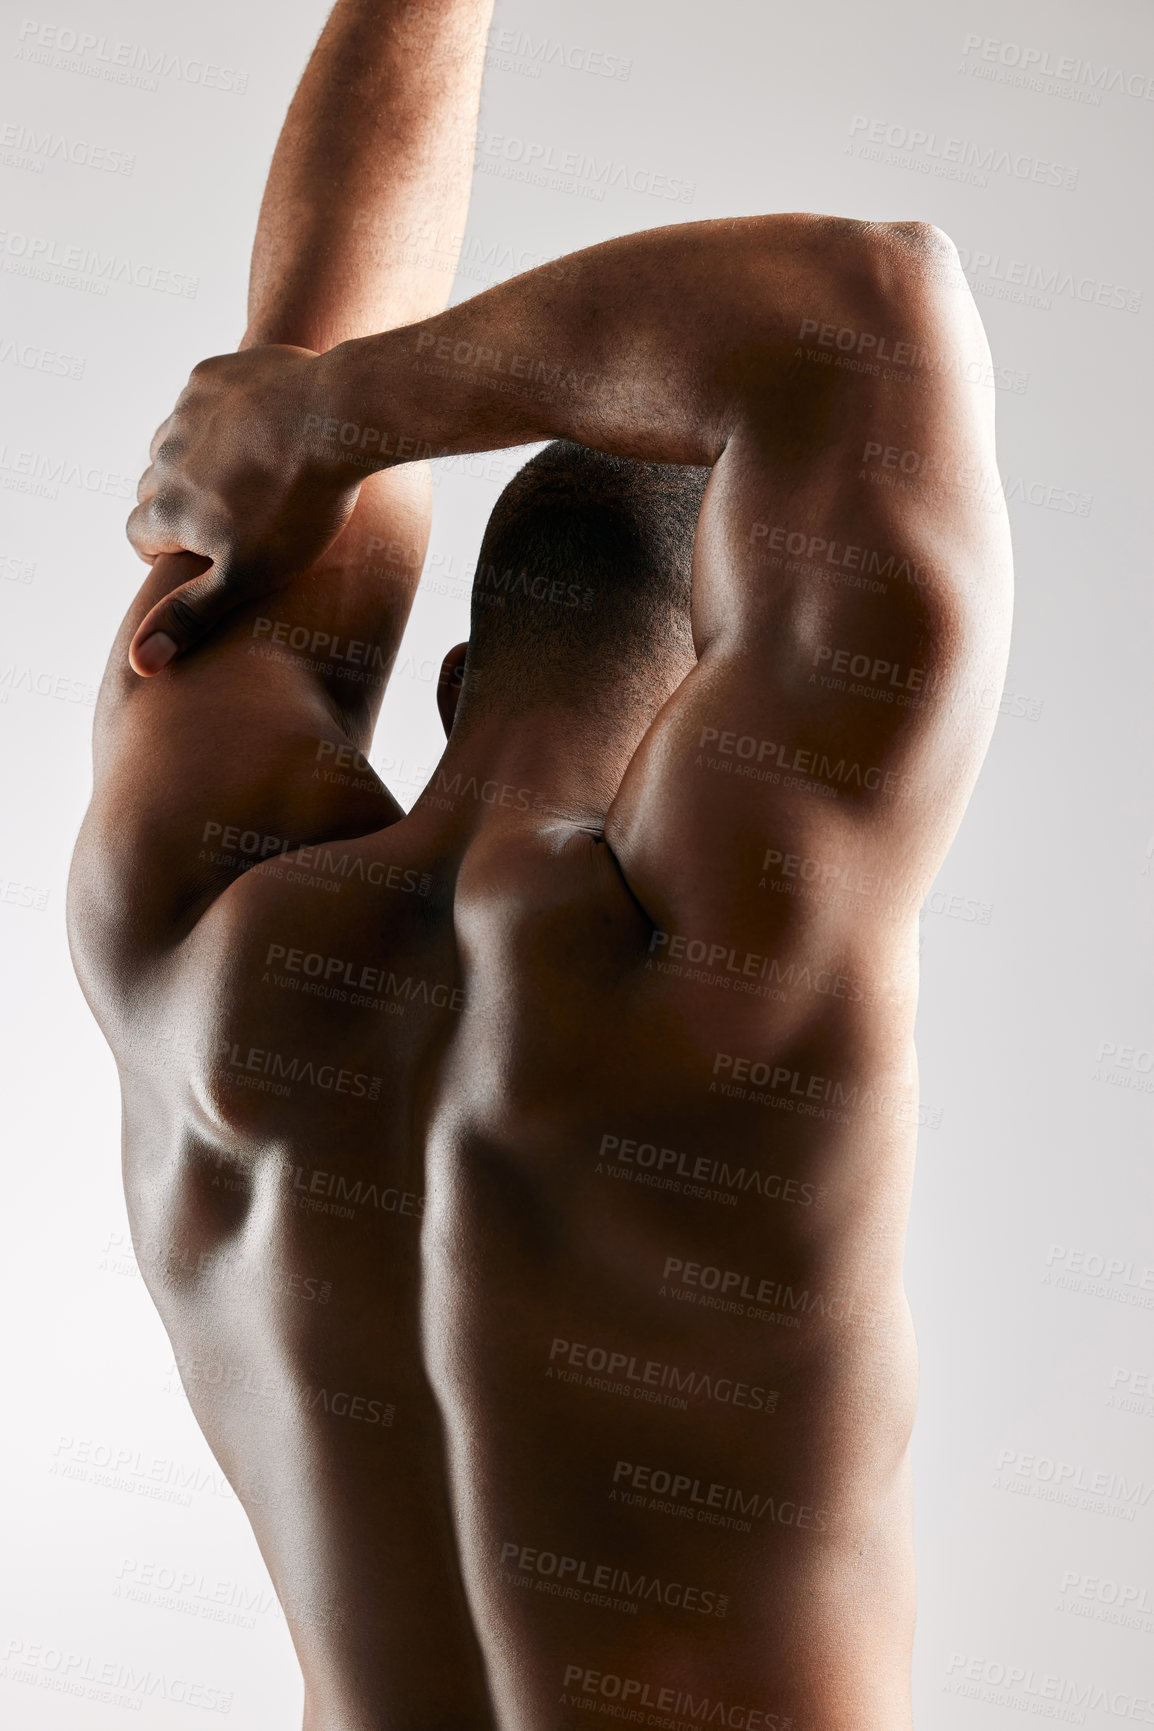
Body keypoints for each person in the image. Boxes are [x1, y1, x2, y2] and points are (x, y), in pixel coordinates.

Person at [68, 1, 1014, 1726]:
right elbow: (858, 314)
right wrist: (337, 410)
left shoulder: (195, 940)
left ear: (449, 675)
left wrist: (332, 411)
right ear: (726, 717)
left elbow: (282, 387)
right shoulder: (736, 955)